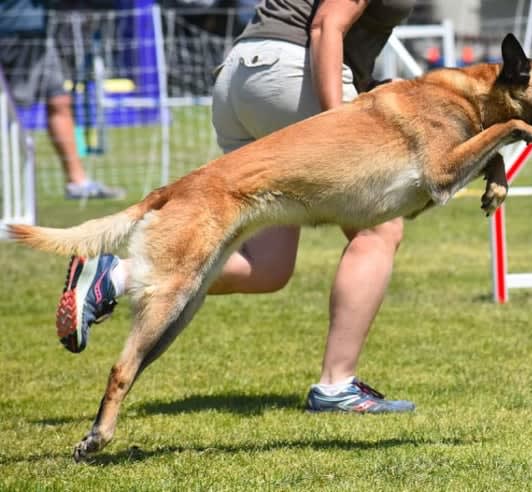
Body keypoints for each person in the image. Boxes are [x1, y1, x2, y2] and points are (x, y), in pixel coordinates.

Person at [55, 0, 416, 413]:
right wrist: (339, 123)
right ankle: (337, 387)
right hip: (292, 71)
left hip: (244, 76)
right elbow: (325, 25)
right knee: (379, 228)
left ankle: (115, 274)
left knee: (266, 266)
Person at [0, 0, 124, 199]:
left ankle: (77, 182)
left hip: (38, 35)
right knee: (7, 107)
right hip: (11, 34)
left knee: (59, 100)